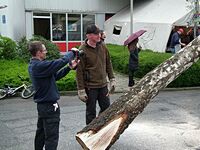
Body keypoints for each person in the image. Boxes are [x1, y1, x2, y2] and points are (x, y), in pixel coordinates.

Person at [28, 41, 78, 150]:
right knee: (52, 137)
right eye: (44, 50)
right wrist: (72, 52)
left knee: (41, 133)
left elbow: (55, 76)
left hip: (43, 106)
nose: (46, 52)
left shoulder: (35, 65)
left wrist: (69, 68)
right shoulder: (39, 66)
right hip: (49, 106)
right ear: (38, 53)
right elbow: (60, 62)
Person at [76, 24, 116, 125]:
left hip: (103, 85)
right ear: (88, 36)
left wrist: (112, 79)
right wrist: (81, 90)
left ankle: (100, 127)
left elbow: (108, 63)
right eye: (95, 34)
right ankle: (89, 134)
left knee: (106, 109)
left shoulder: (103, 45)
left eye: (99, 33)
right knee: (91, 112)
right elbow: (79, 71)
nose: (99, 35)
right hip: (90, 87)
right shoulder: (82, 50)